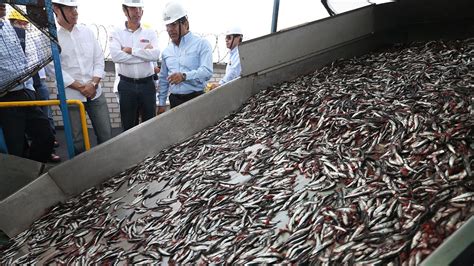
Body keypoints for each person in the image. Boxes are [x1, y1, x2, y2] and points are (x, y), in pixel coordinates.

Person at [50, 0, 112, 154]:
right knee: (77, 142)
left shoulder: (87, 32)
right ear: (56, 9)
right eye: (70, 8)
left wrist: (93, 83)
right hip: (71, 97)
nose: (75, 12)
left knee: (106, 135)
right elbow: (53, 69)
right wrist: (80, 87)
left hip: (95, 93)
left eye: (75, 8)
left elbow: (98, 59)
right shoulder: (52, 38)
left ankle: (108, 168)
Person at [8, 9, 61, 162]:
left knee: (45, 119)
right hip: (18, 90)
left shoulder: (32, 37)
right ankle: (28, 159)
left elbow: (44, 54)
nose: (23, 26)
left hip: (36, 85)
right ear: (13, 23)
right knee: (18, 132)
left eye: (25, 23)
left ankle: (48, 150)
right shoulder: (9, 41)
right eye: (20, 23)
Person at [110, 0, 160, 131]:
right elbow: (116, 56)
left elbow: (155, 55)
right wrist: (144, 55)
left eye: (139, 8)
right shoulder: (117, 32)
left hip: (147, 85)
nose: (137, 12)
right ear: (125, 10)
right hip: (127, 86)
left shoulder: (150, 32)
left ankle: (149, 151)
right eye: (133, 8)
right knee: (128, 126)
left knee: (149, 125)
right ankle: (130, 151)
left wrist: (132, 51)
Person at [157, 1, 213, 114]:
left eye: (173, 24)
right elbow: (163, 79)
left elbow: (207, 72)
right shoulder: (167, 52)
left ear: (185, 23)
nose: (170, 29)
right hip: (175, 101)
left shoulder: (201, 44)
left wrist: (184, 76)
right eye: (167, 25)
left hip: (196, 99)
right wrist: (161, 103)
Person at [209, 26, 243, 90]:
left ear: (238, 38)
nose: (226, 40)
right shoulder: (232, 54)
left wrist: (220, 84)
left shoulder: (239, 53)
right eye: (226, 38)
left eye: (229, 37)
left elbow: (233, 72)